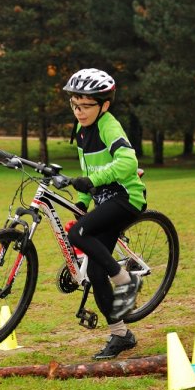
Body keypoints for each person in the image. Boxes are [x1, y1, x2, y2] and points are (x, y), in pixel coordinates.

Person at [63, 68, 147, 360]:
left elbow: (128, 161)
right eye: (74, 104)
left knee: (78, 233)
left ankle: (125, 279)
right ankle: (121, 335)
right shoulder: (81, 130)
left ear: (104, 105)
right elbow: (88, 169)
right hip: (104, 202)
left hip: (127, 198)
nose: (79, 111)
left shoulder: (108, 126)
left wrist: (94, 183)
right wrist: (84, 200)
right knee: (96, 271)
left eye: (86, 106)